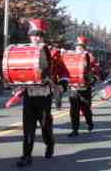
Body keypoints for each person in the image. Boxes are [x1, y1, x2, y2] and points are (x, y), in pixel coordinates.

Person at [16, 18, 69, 167]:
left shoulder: (52, 52)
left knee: (45, 126)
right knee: (28, 126)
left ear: (43, 36)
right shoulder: (24, 51)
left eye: (39, 34)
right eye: (33, 34)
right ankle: (26, 155)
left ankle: (50, 143)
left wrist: (61, 85)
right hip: (29, 93)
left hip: (44, 95)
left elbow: (64, 72)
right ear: (29, 36)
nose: (36, 37)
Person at [68, 36, 95, 137]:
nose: (78, 48)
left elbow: (94, 71)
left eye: (81, 47)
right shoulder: (71, 57)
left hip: (85, 88)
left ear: (84, 47)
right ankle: (75, 130)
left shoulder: (89, 57)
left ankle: (89, 122)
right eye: (77, 47)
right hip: (74, 88)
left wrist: (92, 79)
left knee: (86, 109)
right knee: (74, 111)